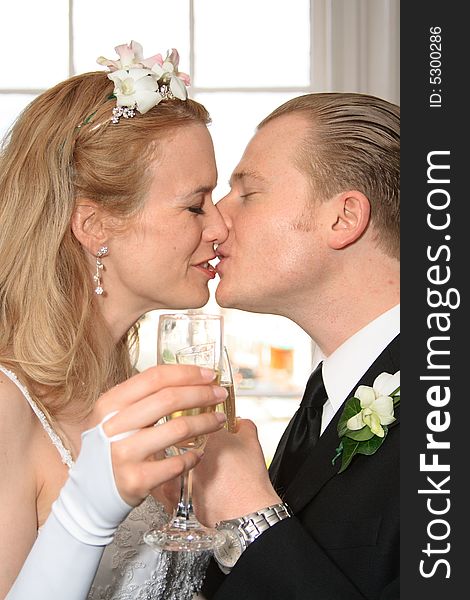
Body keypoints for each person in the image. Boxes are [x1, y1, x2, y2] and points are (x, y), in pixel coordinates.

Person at [0, 41, 230, 600]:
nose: (221, 226)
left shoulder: (132, 394)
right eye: (196, 204)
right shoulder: (7, 405)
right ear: (95, 225)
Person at [193, 92, 400, 599]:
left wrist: (247, 514)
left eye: (248, 192)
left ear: (344, 217)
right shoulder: (328, 391)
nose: (216, 220)